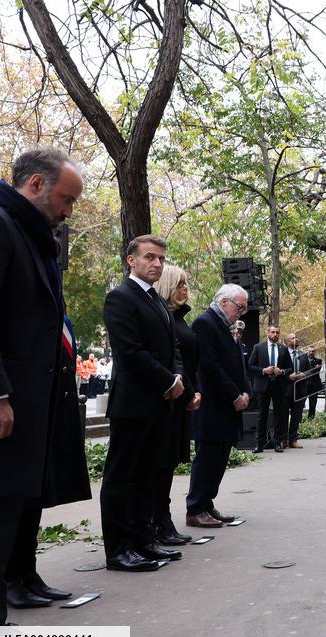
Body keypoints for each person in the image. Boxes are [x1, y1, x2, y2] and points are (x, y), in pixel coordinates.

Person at [0, 147, 80, 637]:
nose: (68, 210)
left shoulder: (32, 237)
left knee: (3, 518)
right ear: (35, 184)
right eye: (65, 198)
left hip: (28, 406)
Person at [100, 234, 185, 572]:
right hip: (133, 404)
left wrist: (177, 377)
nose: (157, 264)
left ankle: (143, 542)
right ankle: (118, 551)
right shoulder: (120, 298)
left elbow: (172, 347)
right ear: (131, 260)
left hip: (159, 403)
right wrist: (169, 380)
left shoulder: (157, 301)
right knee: (121, 478)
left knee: (146, 477)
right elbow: (130, 352)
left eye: (161, 259)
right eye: (150, 257)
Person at [5, 313, 92, 609]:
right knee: (16, 505)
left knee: (35, 500)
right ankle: (10, 579)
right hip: (23, 405)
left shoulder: (52, 298)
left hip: (52, 404)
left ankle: (27, 573)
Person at [186, 284, 251, 528]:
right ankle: (195, 507)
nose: (241, 313)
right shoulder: (205, 323)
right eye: (239, 307)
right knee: (208, 458)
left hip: (227, 405)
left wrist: (245, 392)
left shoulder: (225, 326)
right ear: (224, 302)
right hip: (213, 405)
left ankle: (207, 503)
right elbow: (209, 366)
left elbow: (238, 363)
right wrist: (234, 395)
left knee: (220, 457)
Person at [151, 264, 201, 545]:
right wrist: (187, 392)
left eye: (186, 284)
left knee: (167, 464)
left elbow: (189, 362)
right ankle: (158, 522)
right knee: (159, 464)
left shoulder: (179, 318)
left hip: (183, 399)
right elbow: (174, 361)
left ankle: (163, 521)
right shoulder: (166, 317)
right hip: (169, 399)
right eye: (180, 283)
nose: (184, 289)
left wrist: (194, 392)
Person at [248, 325, 292, 453]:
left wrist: (282, 372)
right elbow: (250, 366)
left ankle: (278, 443)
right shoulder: (258, 347)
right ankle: (259, 444)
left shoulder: (283, 349)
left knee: (279, 415)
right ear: (267, 333)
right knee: (262, 415)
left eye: (277, 333)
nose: (275, 335)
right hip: (263, 385)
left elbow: (290, 368)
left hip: (278, 386)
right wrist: (263, 371)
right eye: (273, 332)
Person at [285, 333, 306, 448]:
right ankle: (282, 440)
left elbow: (310, 370)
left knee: (296, 416)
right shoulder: (282, 353)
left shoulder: (303, 355)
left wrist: (304, 374)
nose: (296, 339)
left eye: (296, 337)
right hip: (285, 390)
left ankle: (293, 440)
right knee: (283, 416)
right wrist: (289, 376)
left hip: (300, 390)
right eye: (293, 338)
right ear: (287, 342)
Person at [301, 346, 323, 420]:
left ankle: (310, 419)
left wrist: (307, 371)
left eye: (313, 351)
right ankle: (299, 419)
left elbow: (316, 371)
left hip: (314, 386)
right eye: (309, 351)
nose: (311, 353)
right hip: (304, 385)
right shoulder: (302, 360)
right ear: (307, 351)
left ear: (315, 352)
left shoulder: (319, 361)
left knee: (313, 404)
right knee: (301, 404)